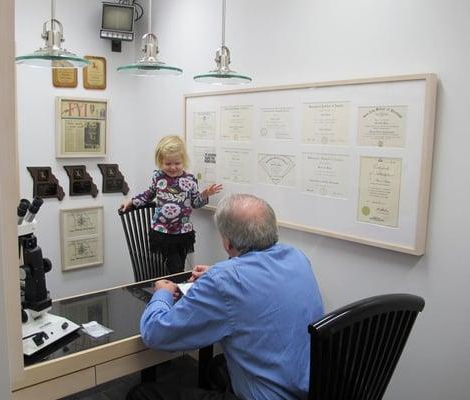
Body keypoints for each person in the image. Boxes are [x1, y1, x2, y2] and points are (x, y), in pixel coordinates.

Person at [126, 194, 324, 400]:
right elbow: (260, 280)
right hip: (307, 387)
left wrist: (162, 294)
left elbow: (156, 335)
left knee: (141, 394)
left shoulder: (224, 281)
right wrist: (219, 273)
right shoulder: (297, 257)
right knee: (216, 366)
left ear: (227, 243)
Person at [120, 135, 222, 274]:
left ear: (184, 161)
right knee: (167, 267)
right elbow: (149, 194)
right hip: (161, 231)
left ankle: (173, 288)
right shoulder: (158, 177)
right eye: (168, 164)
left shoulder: (190, 180)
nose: (173, 167)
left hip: (182, 232)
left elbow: (195, 203)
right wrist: (132, 202)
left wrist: (204, 195)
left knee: (177, 266)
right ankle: (169, 287)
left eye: (177, 163)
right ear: (160, 162)